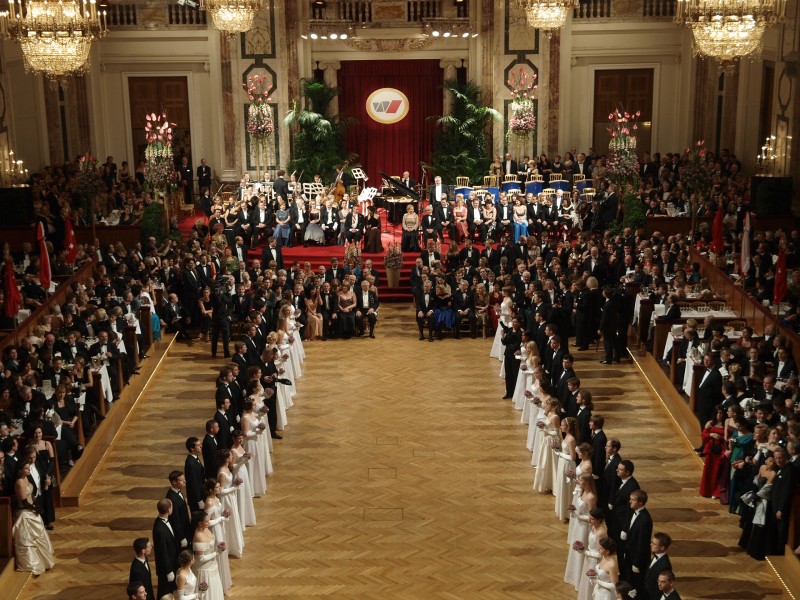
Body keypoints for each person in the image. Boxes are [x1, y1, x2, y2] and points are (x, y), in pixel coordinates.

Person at [12, 461, 55, 575]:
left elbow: (31, 495)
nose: (28, 470)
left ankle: (44, 561)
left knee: (39, 536)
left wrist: (37, 505)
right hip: (25, 513)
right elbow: (24, 501)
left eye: (28, 468)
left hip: (31, 511)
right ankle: (33, 563)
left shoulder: (26, 479)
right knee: (29, 540)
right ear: (19, 471)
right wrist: (35, 509)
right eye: (26, 468)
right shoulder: (19, 482)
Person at [153, 498, 180, 598]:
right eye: (171, 506)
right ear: (169, 510)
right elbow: (163, 551)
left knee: (169, 591)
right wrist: (169, 571)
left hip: (171, 563)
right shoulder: (160, 529)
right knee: (164, 592)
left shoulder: (163, 521)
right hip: (165, 568)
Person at [699, 407, 726, 498]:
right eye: (717, 413)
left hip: (720, 449)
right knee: (708, 470)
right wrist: (711, 434)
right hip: (711, 449)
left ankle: (715, 491)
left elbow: (727, 437)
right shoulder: (710, 423)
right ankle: (706, 491)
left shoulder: (725, 424)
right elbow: (703, 435)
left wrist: (720, 438)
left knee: (717, 470)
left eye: (721, 413)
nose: (719, 415)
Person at [643, 532, 673, 600]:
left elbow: (662, 587)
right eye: (651, 542)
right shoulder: (656, 555)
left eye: (654, 544)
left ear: (662, 547)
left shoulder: (665, 565)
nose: (651, 544)